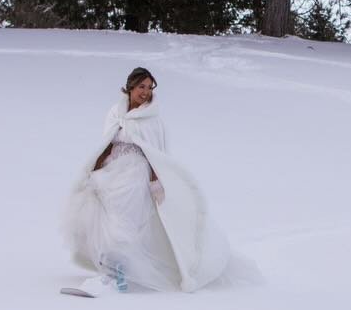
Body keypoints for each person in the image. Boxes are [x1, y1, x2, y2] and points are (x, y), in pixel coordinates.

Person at [61, 67, 252, 297]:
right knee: (96, 212)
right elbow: (107, 143)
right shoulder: (115, 112)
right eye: (141, 87)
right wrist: (95, 168)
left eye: (149, 88)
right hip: (112, 169)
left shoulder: (152, 118)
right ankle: (109, 269)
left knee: (122, 220)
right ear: (130, 86)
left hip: (136, 172)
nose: (146, 92)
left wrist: (156, 183)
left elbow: (156, 154)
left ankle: (115, 277)